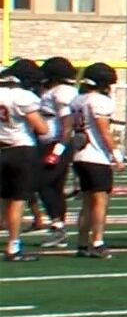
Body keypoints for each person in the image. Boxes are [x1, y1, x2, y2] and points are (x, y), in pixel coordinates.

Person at [66, 63, 122, 259]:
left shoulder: (77, 99)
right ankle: (97, 242)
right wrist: (116, 154)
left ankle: (82, 243)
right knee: (100, 202)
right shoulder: (99, 101)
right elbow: (103, 130)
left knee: (87, 203)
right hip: (96, 157)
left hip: (80, 155)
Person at [1, 60, 51, 261]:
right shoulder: (23, 96)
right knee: (17, 200)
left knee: (4, 200)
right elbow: (42, 129)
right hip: (21, 150)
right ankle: (13, 245)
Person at [35, 57, 77, 248]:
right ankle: (57, 226)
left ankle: (57, 226)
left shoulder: (62, 92)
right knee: (54, 187)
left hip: (57, 144)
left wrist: (57, 151)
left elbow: (67, 126)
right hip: (49, 143)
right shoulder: (51, 91)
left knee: (43, 184)